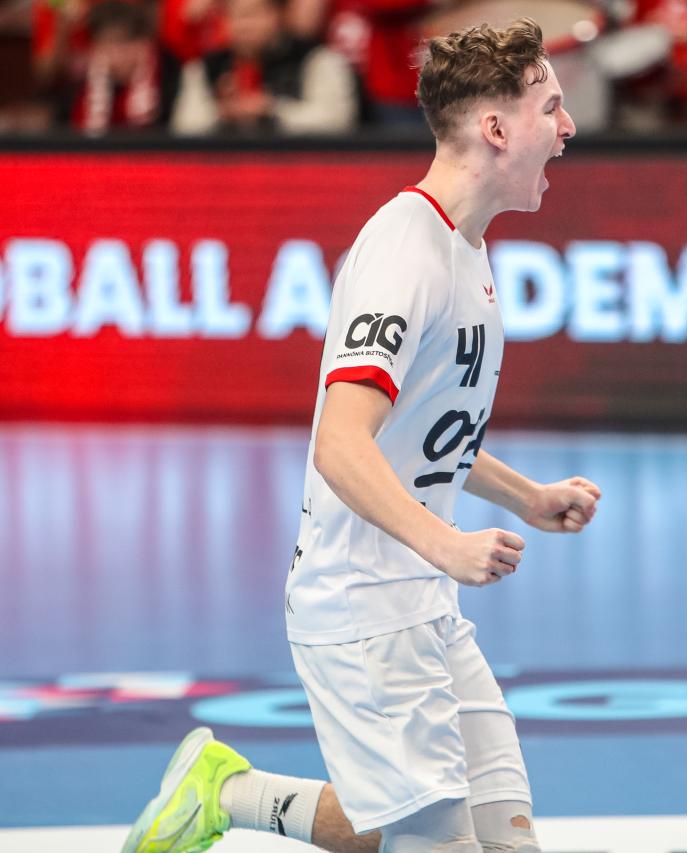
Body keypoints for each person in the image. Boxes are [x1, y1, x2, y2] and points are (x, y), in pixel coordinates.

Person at [123, 17, 598, 853]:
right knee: (435, 838)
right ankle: (231, 793)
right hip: (364, 607)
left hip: (423, 599)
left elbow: (426, 432)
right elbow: (341, 443)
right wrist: (447, 543)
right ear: (495, 129)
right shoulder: (403, 252)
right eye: (550, 107)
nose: (568, 127)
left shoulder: (463, 246)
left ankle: (228, 791)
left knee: (501, 840)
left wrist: (527, 497)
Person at [170, 0, 357, 134]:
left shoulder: (318, 60)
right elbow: (184, 128)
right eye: (232, 16)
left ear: (278, 15)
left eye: (252, 15)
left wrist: (271, 110)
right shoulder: (205, 67)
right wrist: (222, 112)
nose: (243, 26)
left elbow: (336, 122)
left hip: (299, 170)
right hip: (224, 172)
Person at [58, 0, 182, 134]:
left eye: (125, 44)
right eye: (108, 45)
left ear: (145, 44)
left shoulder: (169, 76)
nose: (117, 55)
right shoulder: (79, 84)